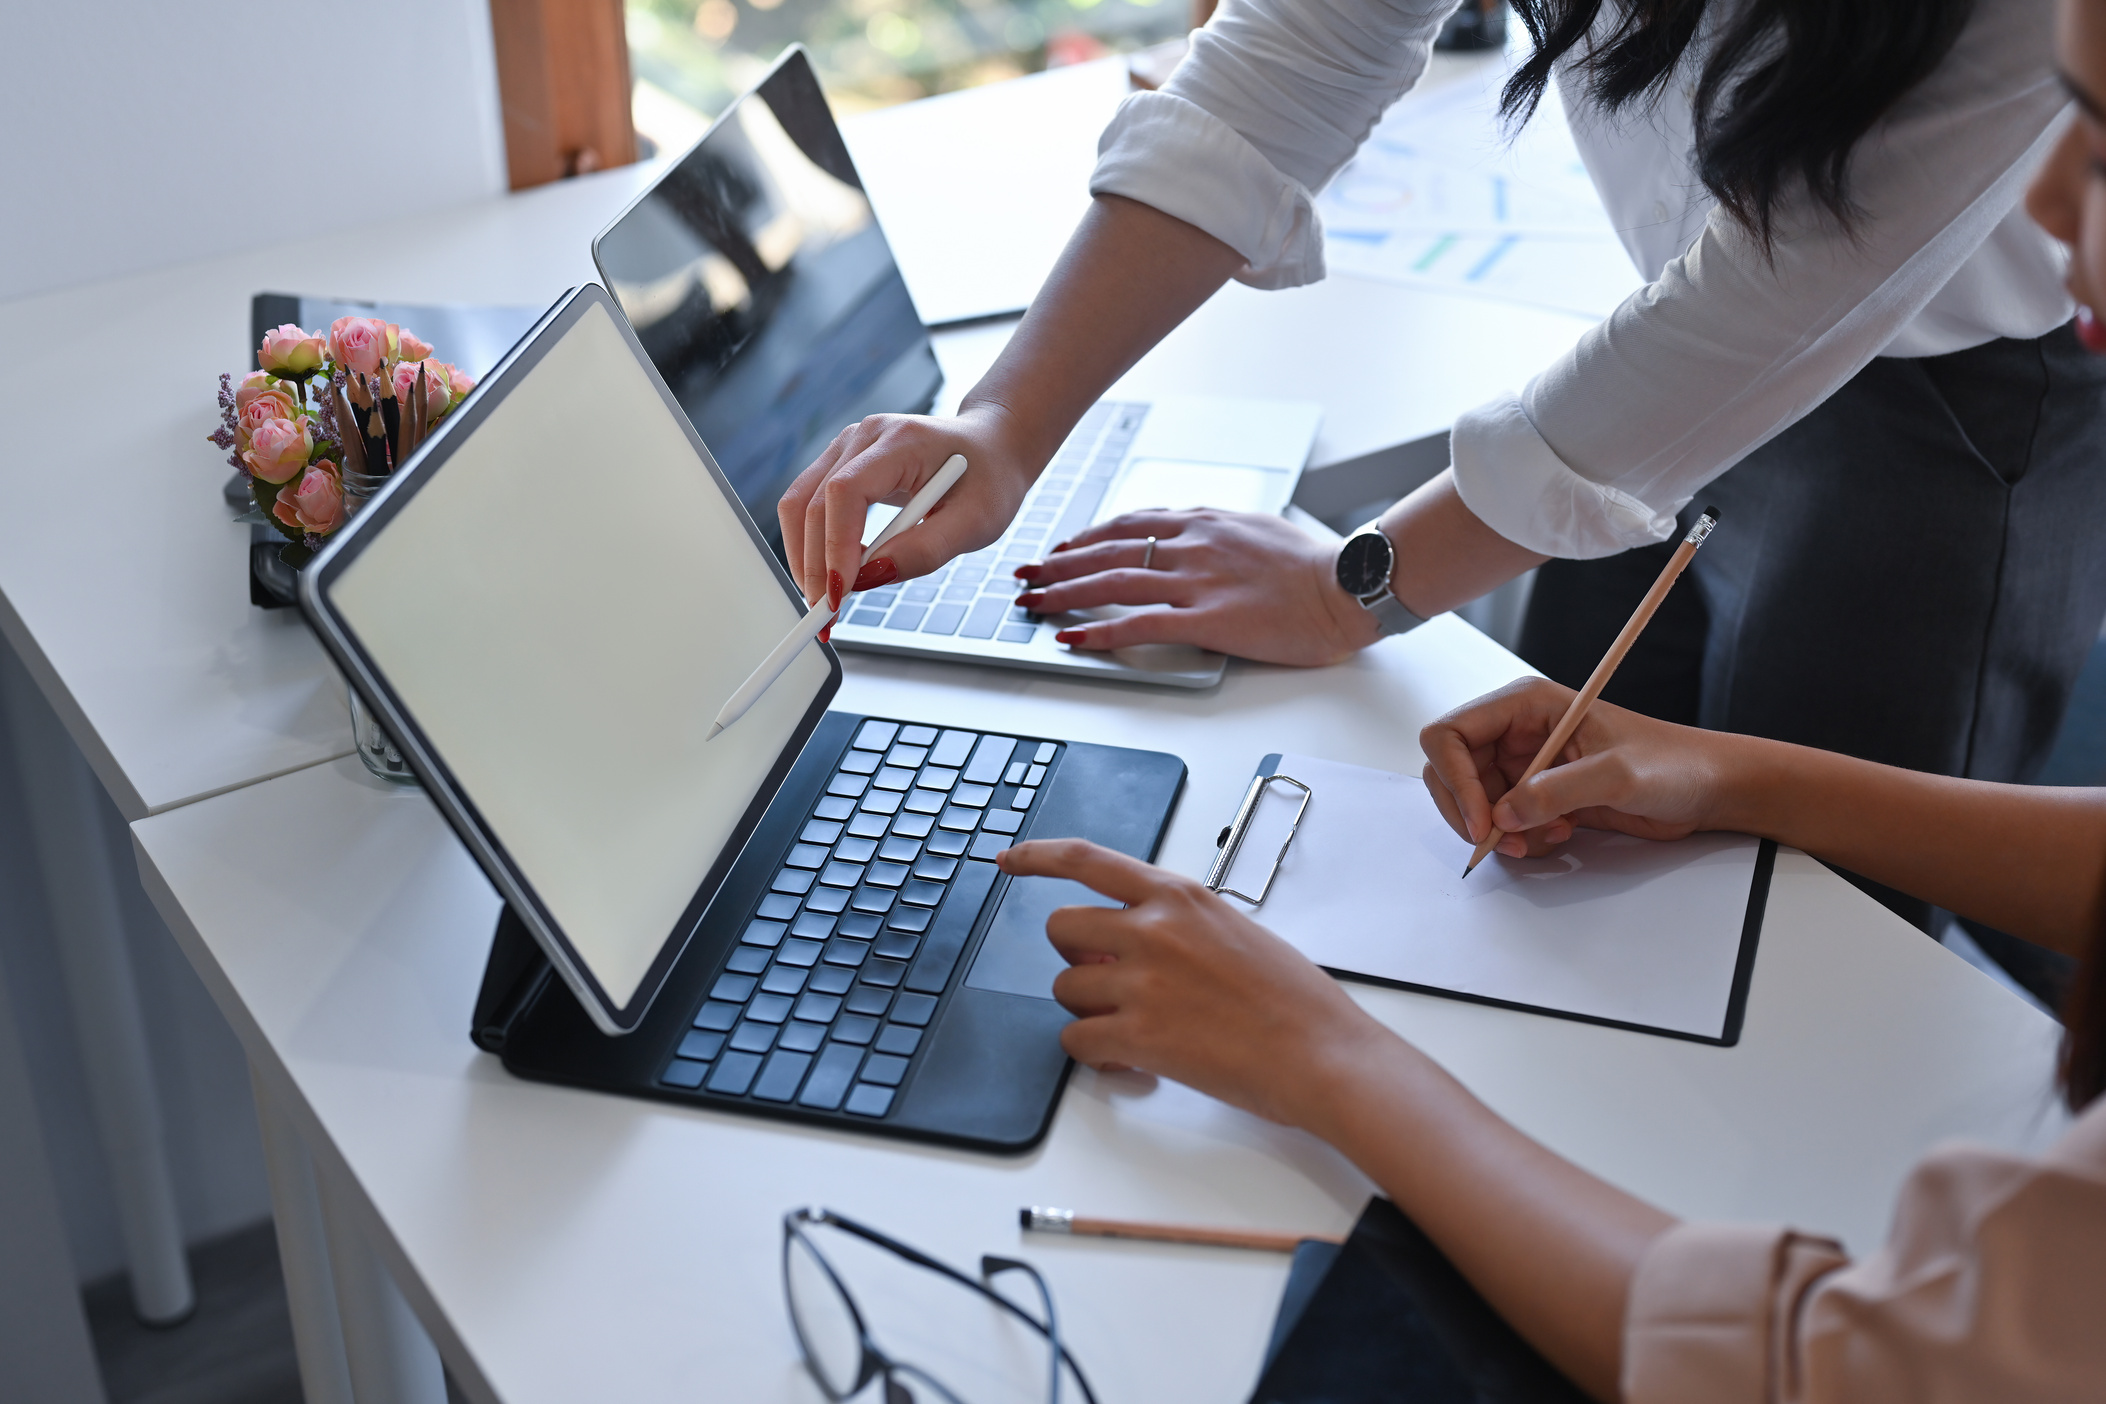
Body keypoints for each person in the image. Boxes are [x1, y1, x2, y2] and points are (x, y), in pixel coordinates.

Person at [780, 0, 2106, 937]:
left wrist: (1342, 591)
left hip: (1947, 423)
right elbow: (1301, 47)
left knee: (1819, 944)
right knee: (1567, 876)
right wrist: (1010, 422)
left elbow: (1775, 299)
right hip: (1661, 336)